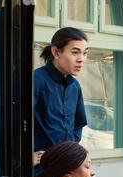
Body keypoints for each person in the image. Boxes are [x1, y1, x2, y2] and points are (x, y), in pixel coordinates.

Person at [33, 27, 89, 169]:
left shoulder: (75, 86)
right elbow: (16, 123)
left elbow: (78, 123)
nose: (81, 59)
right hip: (41, 168)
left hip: (66, 167)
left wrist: (71, 150)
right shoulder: (36, 80)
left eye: (85, 53)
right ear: (56, 52)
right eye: (75, 52)